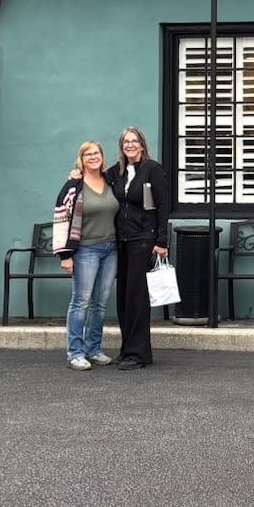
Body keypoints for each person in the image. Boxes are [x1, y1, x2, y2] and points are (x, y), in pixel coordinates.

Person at [95, 126, 171, 370]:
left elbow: (162, 206)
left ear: (142, 144)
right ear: (121, 146)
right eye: (125, 141)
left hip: (144, 240)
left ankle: (139, 354)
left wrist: (161, 241)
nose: (130, 145)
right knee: (124, 297)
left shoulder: (153, 169)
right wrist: (76, 173)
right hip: (122, 241)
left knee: (137, 297)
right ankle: (127, 349)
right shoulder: (115, 172)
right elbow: (93, 177)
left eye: (134, 141)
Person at [53, 140, 119, 371]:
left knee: (100, 303)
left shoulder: (111, 181)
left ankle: (94, 349)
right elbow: (61, 218)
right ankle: (75, 353)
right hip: (85, 251)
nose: (93, 157)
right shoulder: (74, 185)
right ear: (81, 159)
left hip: (111, 249)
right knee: (81, 302)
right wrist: (65, 255)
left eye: (96, 153)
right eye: (87, 154)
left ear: (102, 157)